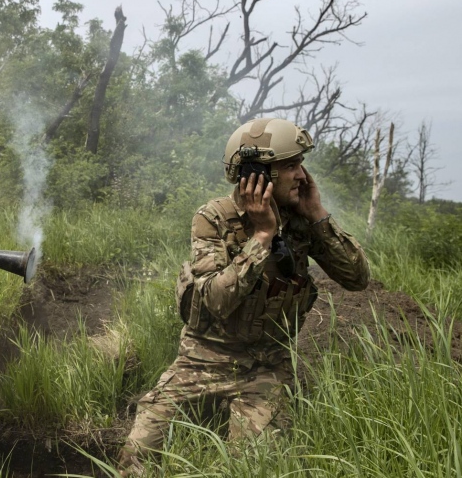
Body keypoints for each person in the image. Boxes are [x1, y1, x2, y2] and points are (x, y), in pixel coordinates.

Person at [119, 118, 370, 473]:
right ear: (257, 174)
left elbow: (357, 278)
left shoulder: (301, 220)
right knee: (136, 455)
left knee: (252, 466)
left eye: (301, 163)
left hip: (265, 367)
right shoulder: (214, 218)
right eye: (290, 166)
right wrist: (263, 236)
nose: (302, 175)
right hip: (202, 360)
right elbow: (213, 303)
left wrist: (317, 215)